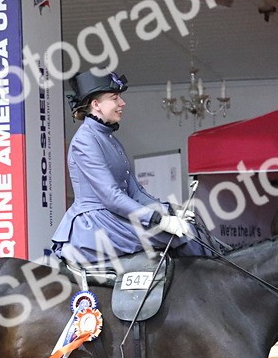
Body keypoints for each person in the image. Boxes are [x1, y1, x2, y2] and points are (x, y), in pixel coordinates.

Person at [50, 70, 203, 264]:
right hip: (96, 223)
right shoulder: (85, 140)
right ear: (96, 105)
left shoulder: (110, 138)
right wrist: (159, 220)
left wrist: (170, 210)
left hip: (113, 216)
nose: (122, 103)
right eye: (115, 98)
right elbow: (111, 196)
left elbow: (135, 192)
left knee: (191, 228)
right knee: (182, 236)